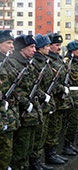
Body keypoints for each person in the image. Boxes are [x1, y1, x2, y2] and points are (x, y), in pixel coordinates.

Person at [9, 34, 44, 170]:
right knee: (20, 148)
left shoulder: (27, 64)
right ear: (22, 48)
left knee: (29, 145)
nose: (34, 50)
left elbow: (34, 87)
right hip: (21, 113)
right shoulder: (14, 64)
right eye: (31, 47)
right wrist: (24, 102)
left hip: (32, 113)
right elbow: (13, 89)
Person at [44, 33, 71, 165]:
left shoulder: (59, 59)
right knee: (52, 129)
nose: (59, 47)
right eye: (56, 45)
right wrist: (60, 88)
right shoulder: (48, 61)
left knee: (58, 127)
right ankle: (50, 154)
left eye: (60, 45)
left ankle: (55, 151)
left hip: (61, 100)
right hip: (53, 99)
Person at [30, 34, 55, 170]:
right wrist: (43, 96)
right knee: (38, 134)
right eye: (46, 46)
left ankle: (38, 161)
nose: (48, 48)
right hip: (38, 102)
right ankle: (34, 162)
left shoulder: (45, 61)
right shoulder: (35, 63)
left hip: (46, 102)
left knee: (43, 133)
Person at [61, 40, 78, 155]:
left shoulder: (77, 62)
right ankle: (65, 146)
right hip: (70, 98)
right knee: (71, 123)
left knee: (75, 123)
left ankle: (69, 144)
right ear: (73, 51)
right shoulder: (67, 62)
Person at [0, 30, 18, 170]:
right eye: (8, 43)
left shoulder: (9, 62)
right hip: (2, 113)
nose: (12, 46)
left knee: (7, 149)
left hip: (9, 113)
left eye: (12, 43)